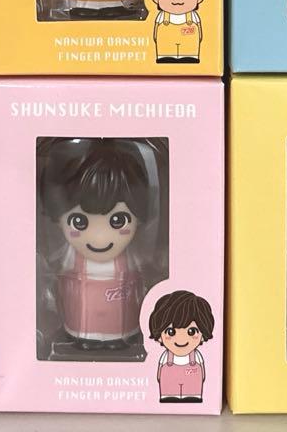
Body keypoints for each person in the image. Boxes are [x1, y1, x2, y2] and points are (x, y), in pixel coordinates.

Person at [40, 139, 155, 349]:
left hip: (123, 323)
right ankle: (87, 338)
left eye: (118, 220)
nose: (99, 237)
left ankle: (115, 338)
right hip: (80, 322)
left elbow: (144, 271)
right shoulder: (70, 259)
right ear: (58, 218)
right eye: (79, 222)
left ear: (138, 218)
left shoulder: (130, 259)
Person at [148, 289, 215, 402]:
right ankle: (168, 396)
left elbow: (202, 370)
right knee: (169, 396)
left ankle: (193, 396)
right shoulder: (166, 356)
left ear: (203, 334)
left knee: (192, 395)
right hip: (169, 382)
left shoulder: (196, 356)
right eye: (171, 332)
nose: (181, 339)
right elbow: (160, 370)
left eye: (191, 332)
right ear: (159, 336)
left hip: (192, 382)